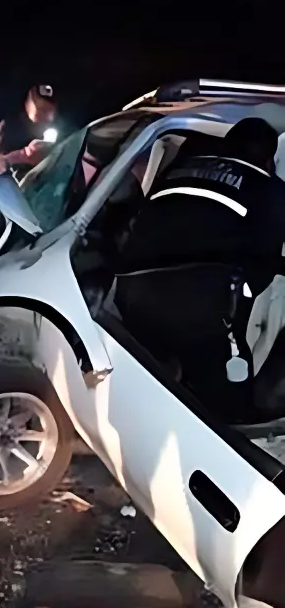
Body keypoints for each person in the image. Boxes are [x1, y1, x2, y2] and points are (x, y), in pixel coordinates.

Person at [115, 117, 285, 422]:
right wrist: (248, 288)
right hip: (201, 304)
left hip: (130, 292)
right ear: (270, 159)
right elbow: (267, 249)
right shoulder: (269, 189)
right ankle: (226, 425)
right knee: (220, 391)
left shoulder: (177, 169)